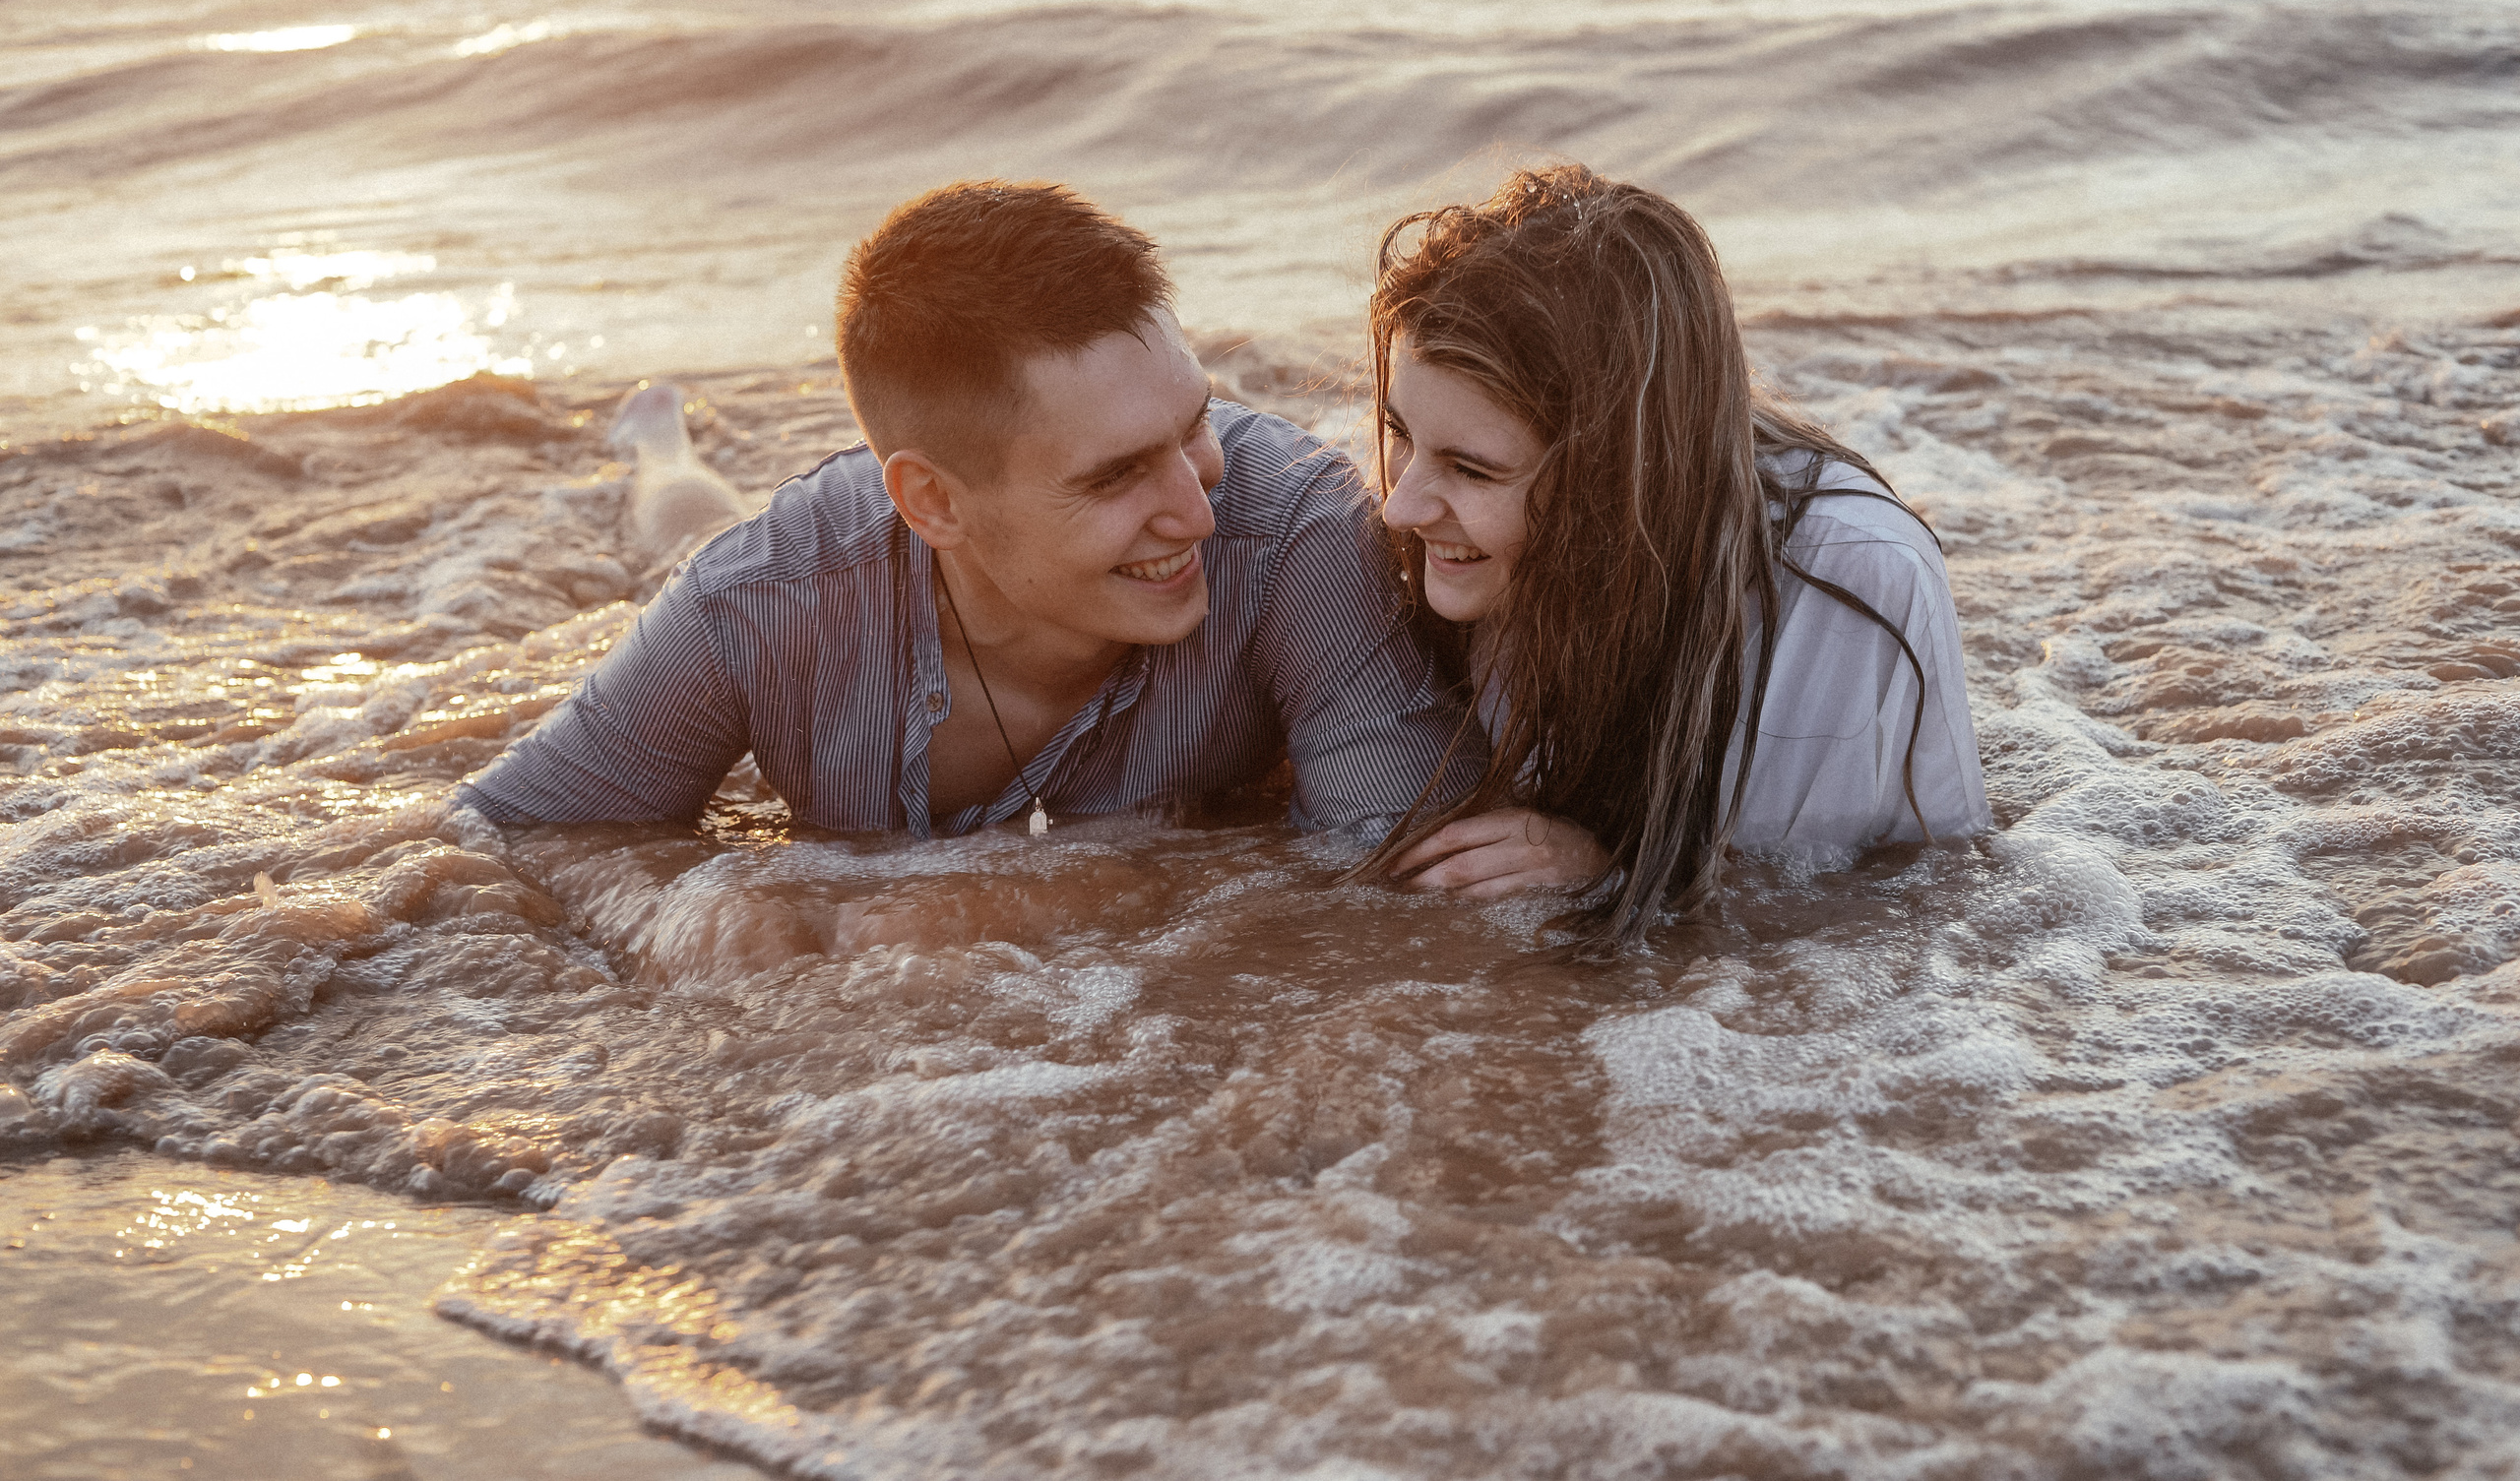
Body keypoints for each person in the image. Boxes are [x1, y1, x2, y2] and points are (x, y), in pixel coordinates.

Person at [457, 180, 1478, 838]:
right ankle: (658, 440)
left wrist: (1014, 907)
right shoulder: (758, 603)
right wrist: (700, 911)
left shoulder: (1295, 528)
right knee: (682, 524)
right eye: (1117, 475)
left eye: (1193, 427)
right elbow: (497, 844)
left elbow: (1399, 880)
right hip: (772, 553)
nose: (1197, 512)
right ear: (932, 503)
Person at [1358, 164, 1989, 949]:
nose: (1400, 506)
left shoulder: (1851, 588)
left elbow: (1899, 912)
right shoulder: (1424, 549)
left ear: (1616, 479)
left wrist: (1616, 873)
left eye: (1472, 469)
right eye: (1400, 433)